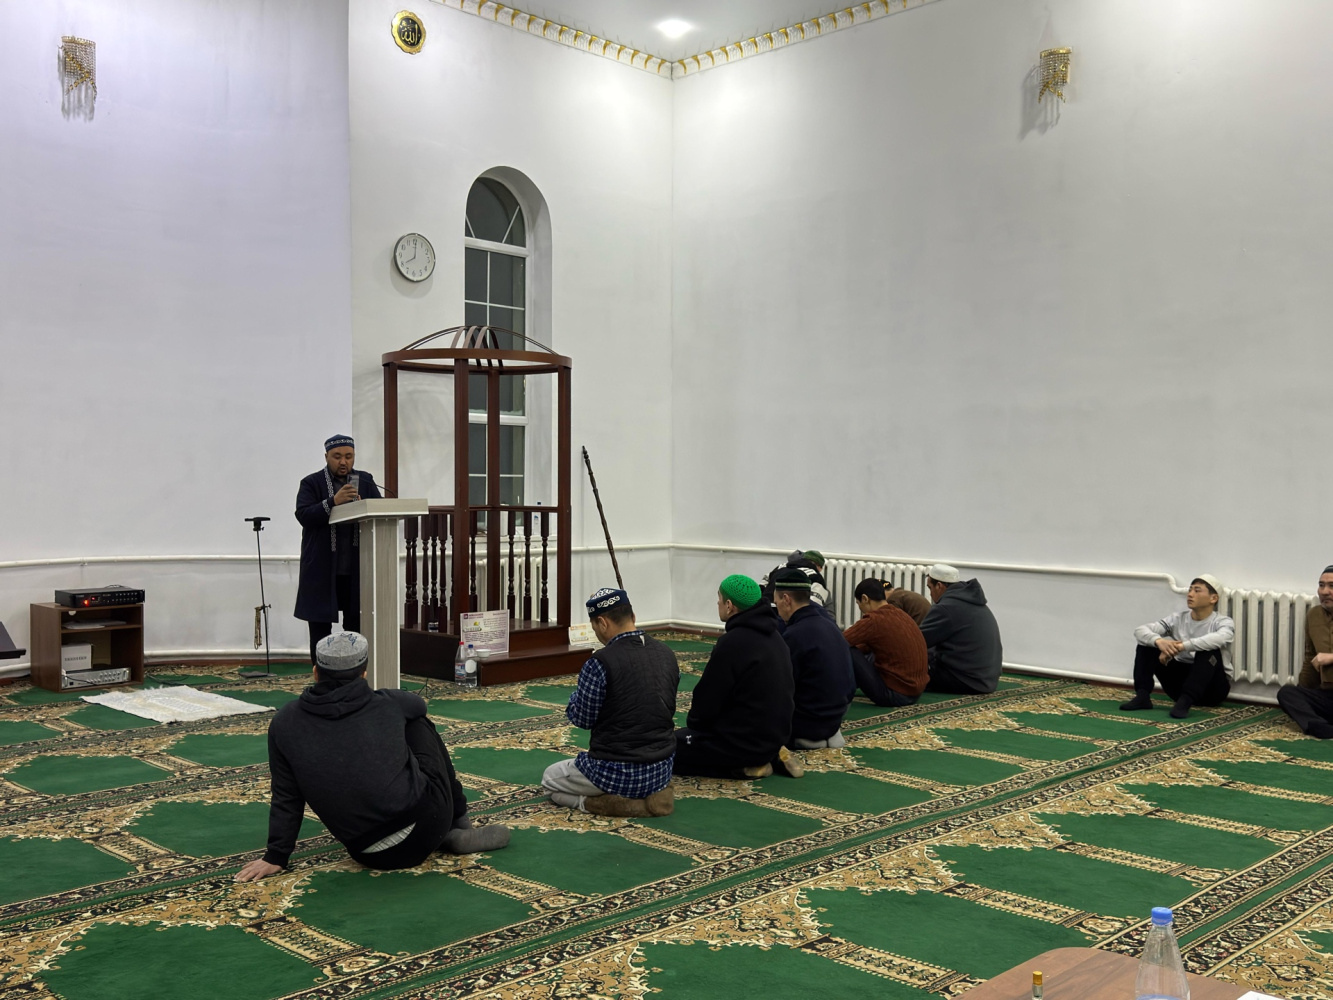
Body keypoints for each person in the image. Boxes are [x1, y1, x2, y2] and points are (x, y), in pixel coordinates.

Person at [235, 632, 509, 881]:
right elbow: (419, 705)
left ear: (315, 673)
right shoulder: (388, 703)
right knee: (417, 722)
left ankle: (449, 832)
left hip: (368, 853)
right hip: (428, 825)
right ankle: (458, 824)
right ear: (364, 673)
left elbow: (286, 794)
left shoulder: (284, 722)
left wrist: (276, 855)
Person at [541, 588, 679, 816]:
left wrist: (575, 698)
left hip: (613, 770)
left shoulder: (600, 662)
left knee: (550, 780)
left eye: (594, 627)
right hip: (661, 769)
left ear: (602, 623)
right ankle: (653, 796)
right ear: (633, 616)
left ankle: (602, 804)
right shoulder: (667, 653)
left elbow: (583, 718)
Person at [673, 574, 801, 779]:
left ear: (729, 606)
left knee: (668, 748)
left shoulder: (732, 643)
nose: (717, 604)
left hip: (741, 744)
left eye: (719, 599)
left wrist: (696, 727)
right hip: (775, 736)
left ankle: (743, 767)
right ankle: (770, 755)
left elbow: (706, 702)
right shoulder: (776, 637)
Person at [294, 435, 382, 666]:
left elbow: (380, 510)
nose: (343, 462)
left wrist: (364, 505)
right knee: (320, 629)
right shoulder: (311, 483)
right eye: (337, 456)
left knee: (356, 627)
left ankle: (355, 675)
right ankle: (321, 675)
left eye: (348, 456)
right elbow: (304, 515)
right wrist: (333, 501)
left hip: (356, 570)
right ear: (326, 457)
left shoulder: (365, 480)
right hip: (322, 569)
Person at [1120, 575, 1233, 719]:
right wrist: (1159, 642)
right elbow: (1140, 630)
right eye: (1190, 590)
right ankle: (1142, 696)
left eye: (1197, 590)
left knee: (1208, 650)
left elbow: (1220, 638)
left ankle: (1185, 703)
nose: (1190, 594)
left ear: (1213, 598)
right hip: (1178, 688)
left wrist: (1181, 646)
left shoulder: (1223, 622)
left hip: (1212, 690)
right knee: (1147, 643)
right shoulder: (1177, 619)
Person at [772, 568, 855, 749]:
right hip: (836, 718)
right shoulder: (831, 626)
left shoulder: (794, 635)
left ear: (786, 599)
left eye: (776, 603)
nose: (777, 610)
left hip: (807, 724)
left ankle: (804, 737)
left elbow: (780, 689)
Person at [843, 578, 929, 707]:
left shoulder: (874, 620)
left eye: (858, 603)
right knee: (865, 648)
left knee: (848, 650)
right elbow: (870, 644)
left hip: (894, 695)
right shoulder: (901, 614)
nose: (860, 608)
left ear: (865, 599)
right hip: (915, 692)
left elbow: (837, 641)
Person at [919, 564, 1003, 694]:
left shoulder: (945, 608)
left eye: (930, 588)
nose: (930, 593)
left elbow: (916, 642)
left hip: (964, 680)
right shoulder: (976, 602)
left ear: (939, 586)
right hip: (988, 680)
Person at [1276, 567, 1333, 739]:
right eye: (1321, 585)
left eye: (1331, 586)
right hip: (1328, 694)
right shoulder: (1314, 615)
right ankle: (1320, 727)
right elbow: (1310, 657)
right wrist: (1302, 693)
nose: (1325, 591)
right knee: (1287, 693)